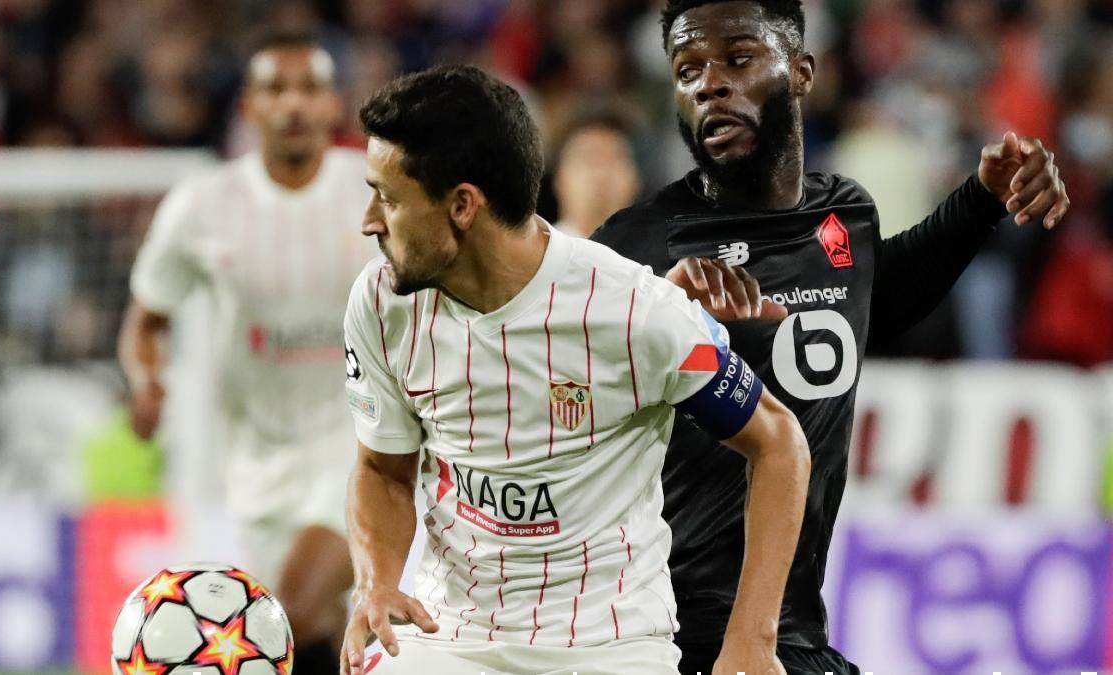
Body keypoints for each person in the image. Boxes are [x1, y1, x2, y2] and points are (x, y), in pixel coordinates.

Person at [590, 1, 1071, 673]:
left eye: (737, 59)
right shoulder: (636, 241)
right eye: (687, 69)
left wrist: (983, 198)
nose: (709, 84)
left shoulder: (842, 214)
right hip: (661, 637)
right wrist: (658, 311)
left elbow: (877, 299)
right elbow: (557, 398)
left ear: (802, 72)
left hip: (789, 634)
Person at [339, 64, 810, 675]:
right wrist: (375, 582)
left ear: (461, 205)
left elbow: (779, 444)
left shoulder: (636, 311)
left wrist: (752, 641)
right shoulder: (381, 301)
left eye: (390, 197)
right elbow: (381, 469)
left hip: (608, 647)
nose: (370, 220)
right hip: (446, 636)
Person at [118, 31, 374, 673]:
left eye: (309, 89)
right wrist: (146, 381)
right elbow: (146, 320)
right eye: (275, 89)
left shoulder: (375, 192)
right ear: (249, 107)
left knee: (285, 610)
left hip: (361, 442)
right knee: (303, 639)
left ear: (334, 104)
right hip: (254, 456)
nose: (293, 104)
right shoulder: (201, 207)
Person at [550, 111, 642, 239]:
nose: (602, 173)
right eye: (589, 159)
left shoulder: (662, 255)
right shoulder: (534, 256)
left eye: (614, 160)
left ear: (635, 180)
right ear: (559, 179)